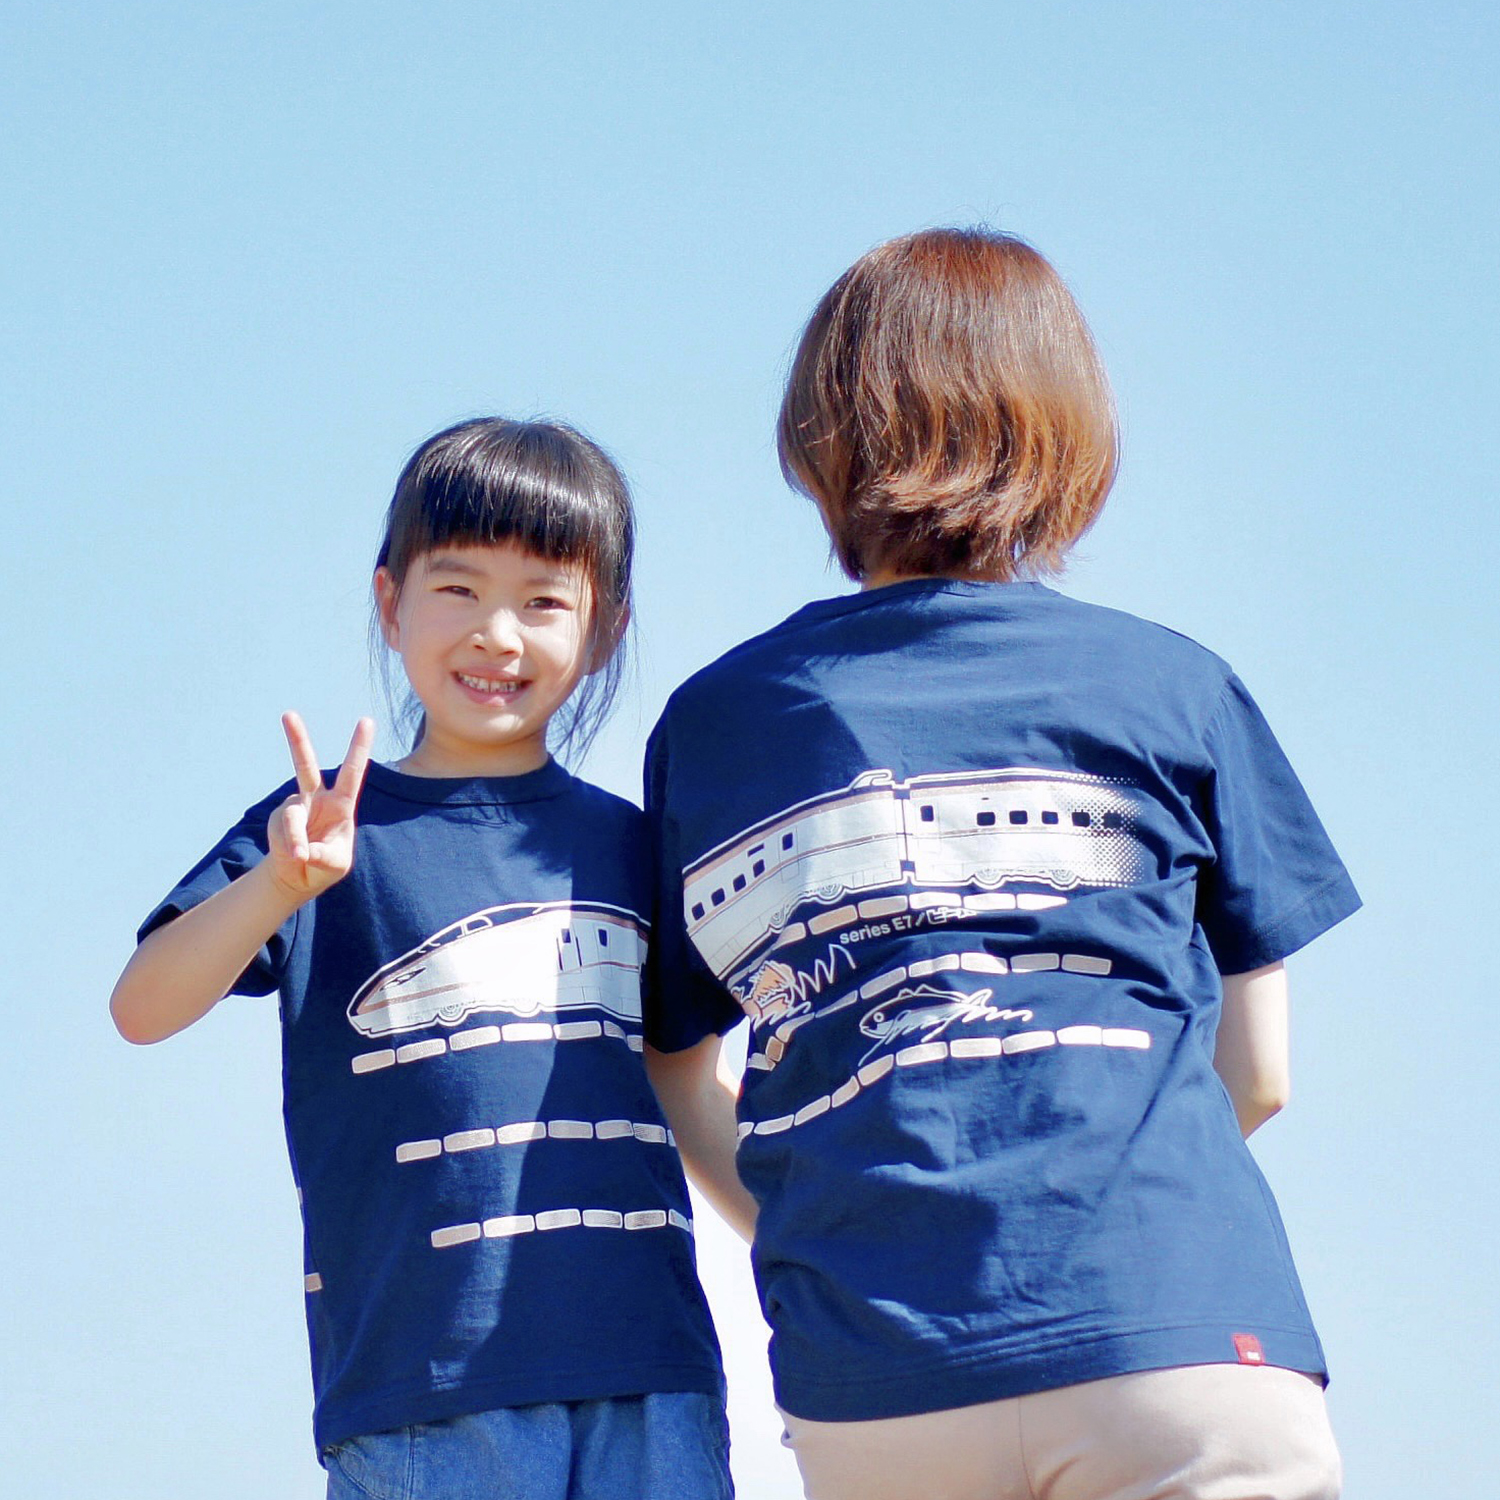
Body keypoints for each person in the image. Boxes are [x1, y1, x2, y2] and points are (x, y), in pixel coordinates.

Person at [644, 229, 1358, 1500]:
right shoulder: (1175, 685)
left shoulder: (715, 727)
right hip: (1180, 1331)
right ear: (1065, 430)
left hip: (874, 1373)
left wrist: (819, 1226)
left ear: (821, 431)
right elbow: (1261, 1075)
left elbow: (673, 1062)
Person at [111, 418, 731, 1500]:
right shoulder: (323, 832)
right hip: (424, 1386)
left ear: (605, 630)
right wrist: (280, 885)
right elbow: (143, 1006)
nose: (497, 634)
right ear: (391, 603)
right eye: (459, 589)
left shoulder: (635, 845)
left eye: (544, 602)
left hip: (651, 1371)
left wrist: (814, 1256)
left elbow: (687, 1083)